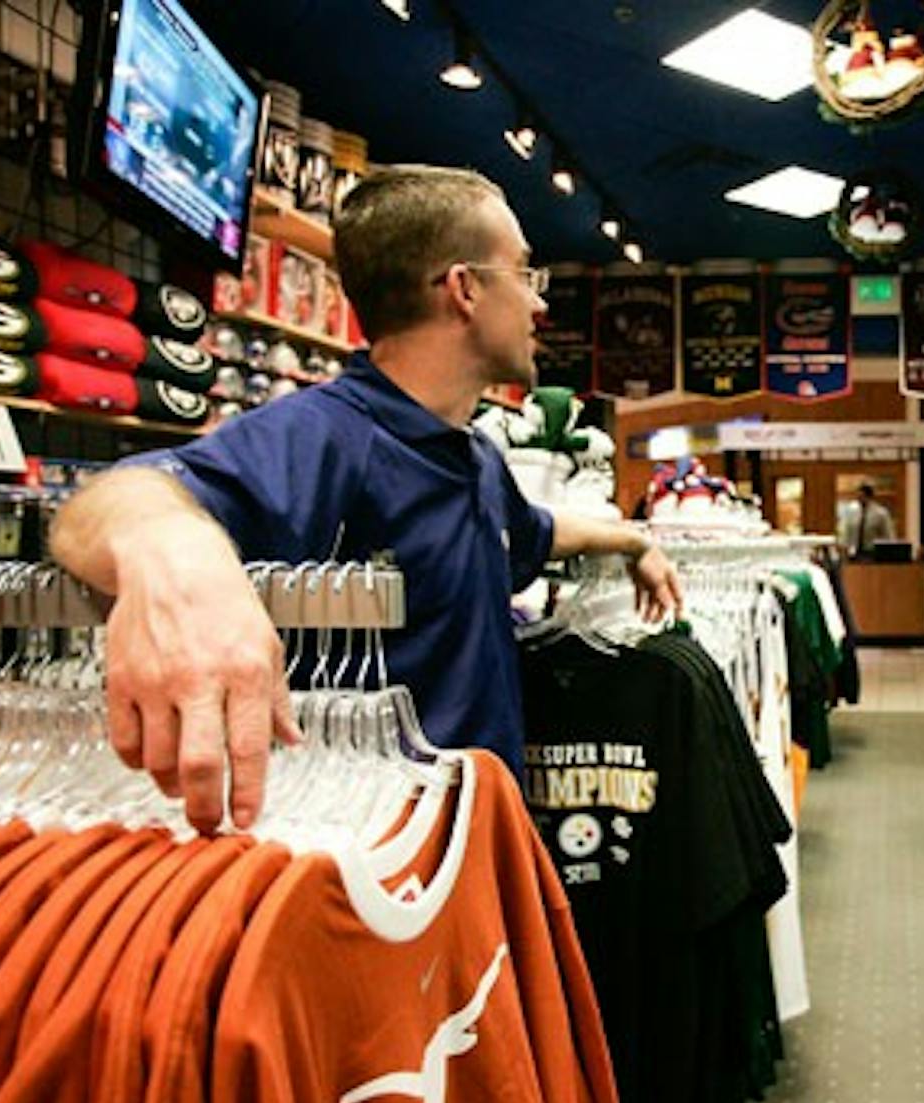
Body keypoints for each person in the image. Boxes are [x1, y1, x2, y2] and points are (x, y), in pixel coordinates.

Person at [49, 164, 682, 835]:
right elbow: (108, 501)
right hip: (381, 870)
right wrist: (176, 558)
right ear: (464, 288)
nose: (540, 303)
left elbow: (536, 531)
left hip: (486, 847)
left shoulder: (475, 456)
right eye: (524, 274)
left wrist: (633, 541)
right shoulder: (326, 435)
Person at [843, 482, 896, 559]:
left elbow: (888, 535)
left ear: (869, 497)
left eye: (861, 496)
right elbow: (848, 532)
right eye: (858, 496)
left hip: (872, 552)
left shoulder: (881, 513)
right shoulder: (852, 512)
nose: (859, 499)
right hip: (854, 552)